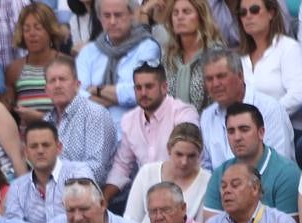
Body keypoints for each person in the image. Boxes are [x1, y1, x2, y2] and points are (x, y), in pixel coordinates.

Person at [105, 63, 199, 205]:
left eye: (149, 87)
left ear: (164, 87)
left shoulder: (183, 113)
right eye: (138, 87)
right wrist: (103, 199)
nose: (143, 93)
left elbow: (189, 155)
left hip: (184, 195)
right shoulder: (129, 120)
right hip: (147, 199)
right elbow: (122, 166)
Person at [204, 101, 301, 218]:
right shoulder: (220, 174)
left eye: (244, 129)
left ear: (261, 133)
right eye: (231, 131)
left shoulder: (287, 174)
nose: (237, 137)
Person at [76, 0, 162, 128]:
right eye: (106, 16)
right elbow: (77, 97)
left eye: (118, 15)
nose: (112, 21)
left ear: (132, 14)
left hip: (134, 132)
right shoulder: (89, 52)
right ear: (99, 17)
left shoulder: (147, 47)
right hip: (93, 131)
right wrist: (119, 97)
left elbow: (141, 92)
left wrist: (97, 90)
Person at [4, 121, 95, 223]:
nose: (40, 151)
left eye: (46, 145)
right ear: (25, 152)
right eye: (34, 146)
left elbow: (85, 218)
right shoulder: (17, 187)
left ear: (59, 148)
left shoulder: (77, 173)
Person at [43, 55, 119, 184]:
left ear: (77, 85)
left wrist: (58, 181)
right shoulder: (46, 121)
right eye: (52, 81)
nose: (57, 85)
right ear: (46, 89)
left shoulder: (95, 114)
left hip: (92, 197)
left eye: (62, 79)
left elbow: (96, 169)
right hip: (55, 195)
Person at [122, 122, 210, 223]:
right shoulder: (147, 173)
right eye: (179, 154)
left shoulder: (207, 181)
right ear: (169, 149)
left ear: (199, 154)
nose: (184, 162)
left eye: (191, 156)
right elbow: (131, 220)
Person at [236, 0, 302, 126]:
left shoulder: (288, 47)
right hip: (249, 131)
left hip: (287, 128)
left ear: (271, 13)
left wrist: (262, 117)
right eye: (242, 12)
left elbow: (297, 95)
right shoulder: (240, 57)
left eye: (254, 10)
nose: (248, 16)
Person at [4, 1, 70, 126]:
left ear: (50, 30)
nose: (32, 34)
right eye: (26, 29)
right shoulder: (14, 69)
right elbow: (8, 113)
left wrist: (40, 118)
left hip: (61, 138)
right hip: (26, 141)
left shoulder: (66, 64)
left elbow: (75, 114)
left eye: (38, 28)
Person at [162, 0, 223, 111]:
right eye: (175, 13)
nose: (180, 17)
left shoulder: (216, 55)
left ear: (201, 17)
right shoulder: (168, 58)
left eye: (186, 12)